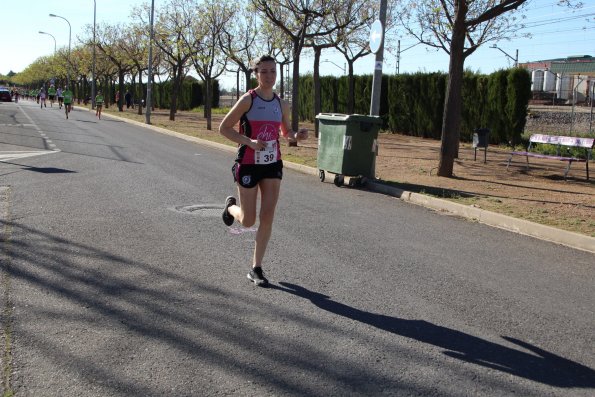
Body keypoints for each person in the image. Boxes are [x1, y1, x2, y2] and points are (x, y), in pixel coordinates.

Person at [219, 55, 308, 287]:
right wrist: (249, 141)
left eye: (273, 72)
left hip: (272, 164)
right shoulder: (248, 100)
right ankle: (230, 208)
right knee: (248, 221)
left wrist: (295, 136)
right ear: (256, 74)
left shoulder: (281, 103)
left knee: (267, 216)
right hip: (248, 163)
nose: (269, 76)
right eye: (264, 72)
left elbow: (286, 131)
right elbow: (224, 128)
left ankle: (256, 268)